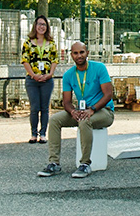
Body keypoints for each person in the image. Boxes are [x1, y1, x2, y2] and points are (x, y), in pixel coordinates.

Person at [38, 42, 115, 179]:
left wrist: (92, 109)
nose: (79, 56)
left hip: (104, 110)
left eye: (82, 52)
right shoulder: (69, 75)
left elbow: (108, 94)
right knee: (55, 120)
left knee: (85, 121)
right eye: (75, 53)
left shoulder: (99, 68)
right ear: (71, 55)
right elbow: (66, 102)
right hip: (82, 110)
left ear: (87, 53)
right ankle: (54, 163)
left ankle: (85, 164)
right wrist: (73, 111)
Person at [21, 16, 59, 144]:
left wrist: (50, 74)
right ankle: (33, 133)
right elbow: (25, 60)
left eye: (44, 24)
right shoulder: (28, 43)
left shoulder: (51, 43)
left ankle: (43, 134)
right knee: (34, 107)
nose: (41, 27)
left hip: (47, 80)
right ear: (35, 26)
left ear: (47, 27)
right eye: (39, 24)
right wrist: (33, 75)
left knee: (44, 107)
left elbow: (54, 60)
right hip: (32, 80)